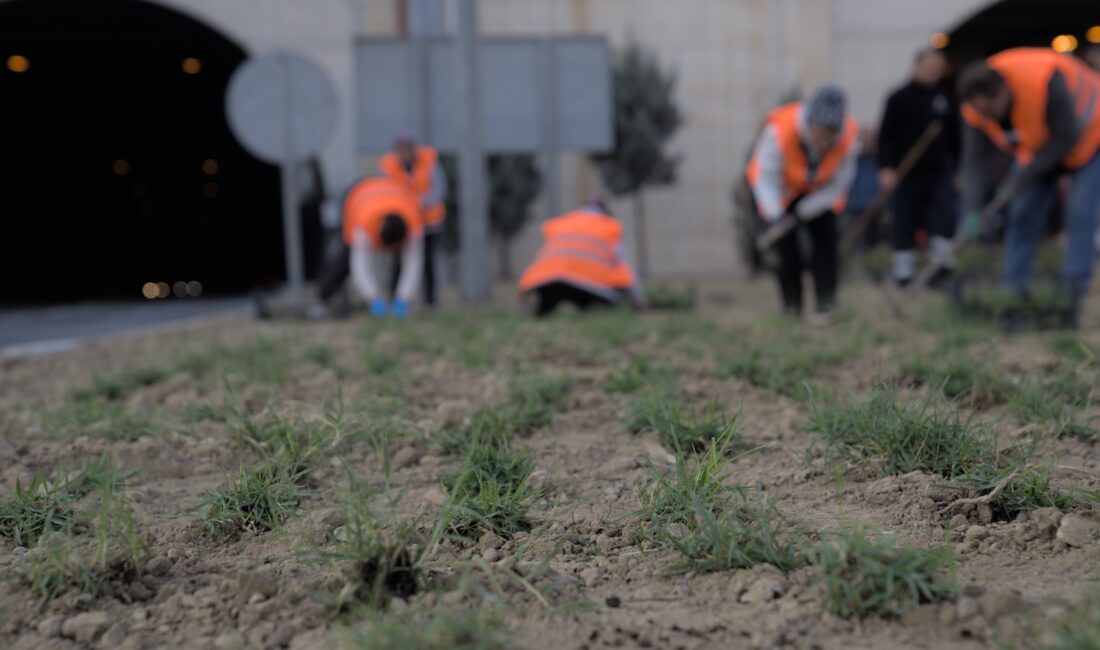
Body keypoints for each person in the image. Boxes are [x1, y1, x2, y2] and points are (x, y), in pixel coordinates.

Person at [957, 48, 1100, 318]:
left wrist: (1019, 179)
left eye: (991, 110)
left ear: (1003, 92)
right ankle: (1013, 292)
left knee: (1080, 213)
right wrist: (972, 208)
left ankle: (1072, 294)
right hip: (1038, 148)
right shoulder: (974, 109)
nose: (988, 118)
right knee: (1022, 214)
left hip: (1090, 137)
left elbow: (1064, 137)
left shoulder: (1044, 82)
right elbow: (973, 162)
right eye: (981, 112)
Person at [747, 85, 860, 320]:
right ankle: (792, 309)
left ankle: (826, 306)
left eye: (830, 133)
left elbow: (839, 185)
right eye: (820, 131)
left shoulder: (848, 137)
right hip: (779, 192)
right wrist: (777, 214)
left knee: (826, 245)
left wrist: (806, 210)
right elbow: (763, 177)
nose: (824, 139)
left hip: (819, 195)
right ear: (810, 122)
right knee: (787, 252)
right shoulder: (780, 129)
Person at [878, 48, 960, 286]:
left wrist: (956, 166)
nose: (931, 71)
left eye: (936, 68)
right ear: (916, 66)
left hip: (938, 172)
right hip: (907, 172)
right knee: (905, 220)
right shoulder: (898, 98)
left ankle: (940, 271)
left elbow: (956, 138)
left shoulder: (946, 97)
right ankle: (904, 274)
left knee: (943, 219)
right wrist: (887, 168)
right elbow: (886, 137)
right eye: (928, 66)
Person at [311, 176, 425, 318]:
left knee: (403, 262)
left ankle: (396, 299)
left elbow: (413, 265)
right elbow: (359, 266)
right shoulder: (363, 227)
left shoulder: (414, 225)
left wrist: (404, 298)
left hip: (389, 192)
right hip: (356, 196)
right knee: (345, 258)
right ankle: (322, 299)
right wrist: (374, 296)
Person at [517, 197, 647, 317]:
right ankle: (592, 311)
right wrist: (639, 300)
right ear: (605, 212)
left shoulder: (561, 223)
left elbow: (541, 259)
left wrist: (523, 290)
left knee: (551, 295)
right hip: (587, 286)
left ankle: (540, 312)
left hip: (546, 282)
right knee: (603, 290)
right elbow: (626, 269)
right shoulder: (607, 226)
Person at [379, 132, 447, 308]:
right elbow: (387, 190)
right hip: (404, 223)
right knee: (397, 262)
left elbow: (438, 188)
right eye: (401, 148)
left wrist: (419, 204)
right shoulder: (390, 165)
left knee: (427, 262)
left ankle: (430, 301)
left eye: (407, 147)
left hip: (428, 222)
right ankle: (395, 299)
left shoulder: (429, 161)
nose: (405, 152)